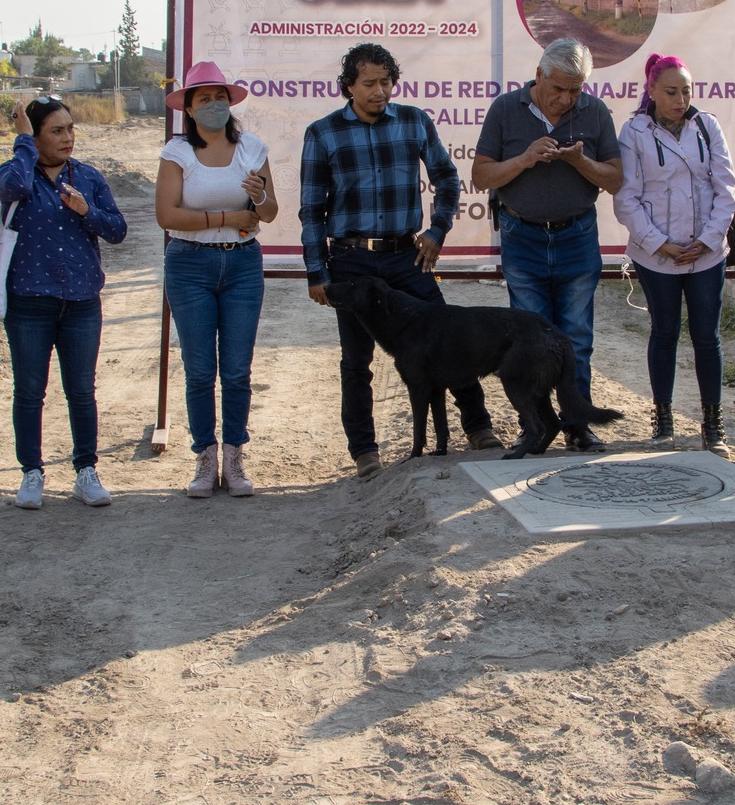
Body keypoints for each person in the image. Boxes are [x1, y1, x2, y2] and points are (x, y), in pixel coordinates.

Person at [301, 42, 498, 478]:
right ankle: (365, 450)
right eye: (368, 83)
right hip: (350, 262)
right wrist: (317, 270)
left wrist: (437, 230)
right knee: (357, 359)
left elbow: (447, 178)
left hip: (406, 258)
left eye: (386, 82)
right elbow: (312, 210)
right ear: (348, 86)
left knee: (451, 339)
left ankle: (479, 427)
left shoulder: (414, 121)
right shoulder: (323, 133)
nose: (379, 91)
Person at [472, 38, 623, 450]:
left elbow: (614, 179)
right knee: (530, 342)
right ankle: (535, 425)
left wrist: (580, 161)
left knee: (576, 337)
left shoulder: (595, 112)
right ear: (539, 75)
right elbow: (481, 177)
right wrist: (524, 158)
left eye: (575, 90)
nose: (566, 98)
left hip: (577, 237)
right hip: (523, 239)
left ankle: (577, 425)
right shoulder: (506, 108)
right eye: (558, 88)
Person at [0, 95, 128, 510]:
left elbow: (118, 230)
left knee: (81, 391)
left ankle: (85, 470)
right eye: (56, 130)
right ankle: (31, 472)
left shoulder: (87, 177)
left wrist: (87, 211)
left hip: (81, 301)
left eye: (70, 128)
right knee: (29, 391)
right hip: (29, 302)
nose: (68, 137)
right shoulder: (16, 174)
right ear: (34, 137)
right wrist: (22, 144)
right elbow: (12, 188)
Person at [157, 61, 279, 498]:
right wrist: (229, 216)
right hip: (189, 265)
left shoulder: (252, 148)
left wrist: (260, 196)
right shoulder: (177, 153)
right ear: (188, 109)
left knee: (237, 370)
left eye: (220, 97)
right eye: (203, 98)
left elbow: (269, 212)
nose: (214, 105)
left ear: (231, 103)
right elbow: (166, 216)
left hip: (242, 264)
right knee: (200, 370)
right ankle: (204, 459)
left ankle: (234, 456)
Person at [613, 53, 735, 447]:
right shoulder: (633, 132)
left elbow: (726, 189)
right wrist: (659, 244)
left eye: (686, 90)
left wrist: (708, 239)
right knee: (664, 332)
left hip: (706, 253)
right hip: (657, 255)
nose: (681, 99)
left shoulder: (706, 126)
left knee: (707, 336)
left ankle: (712, 423)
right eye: (671, 91)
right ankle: (663, 420)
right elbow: (626, 198)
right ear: (650, 91)